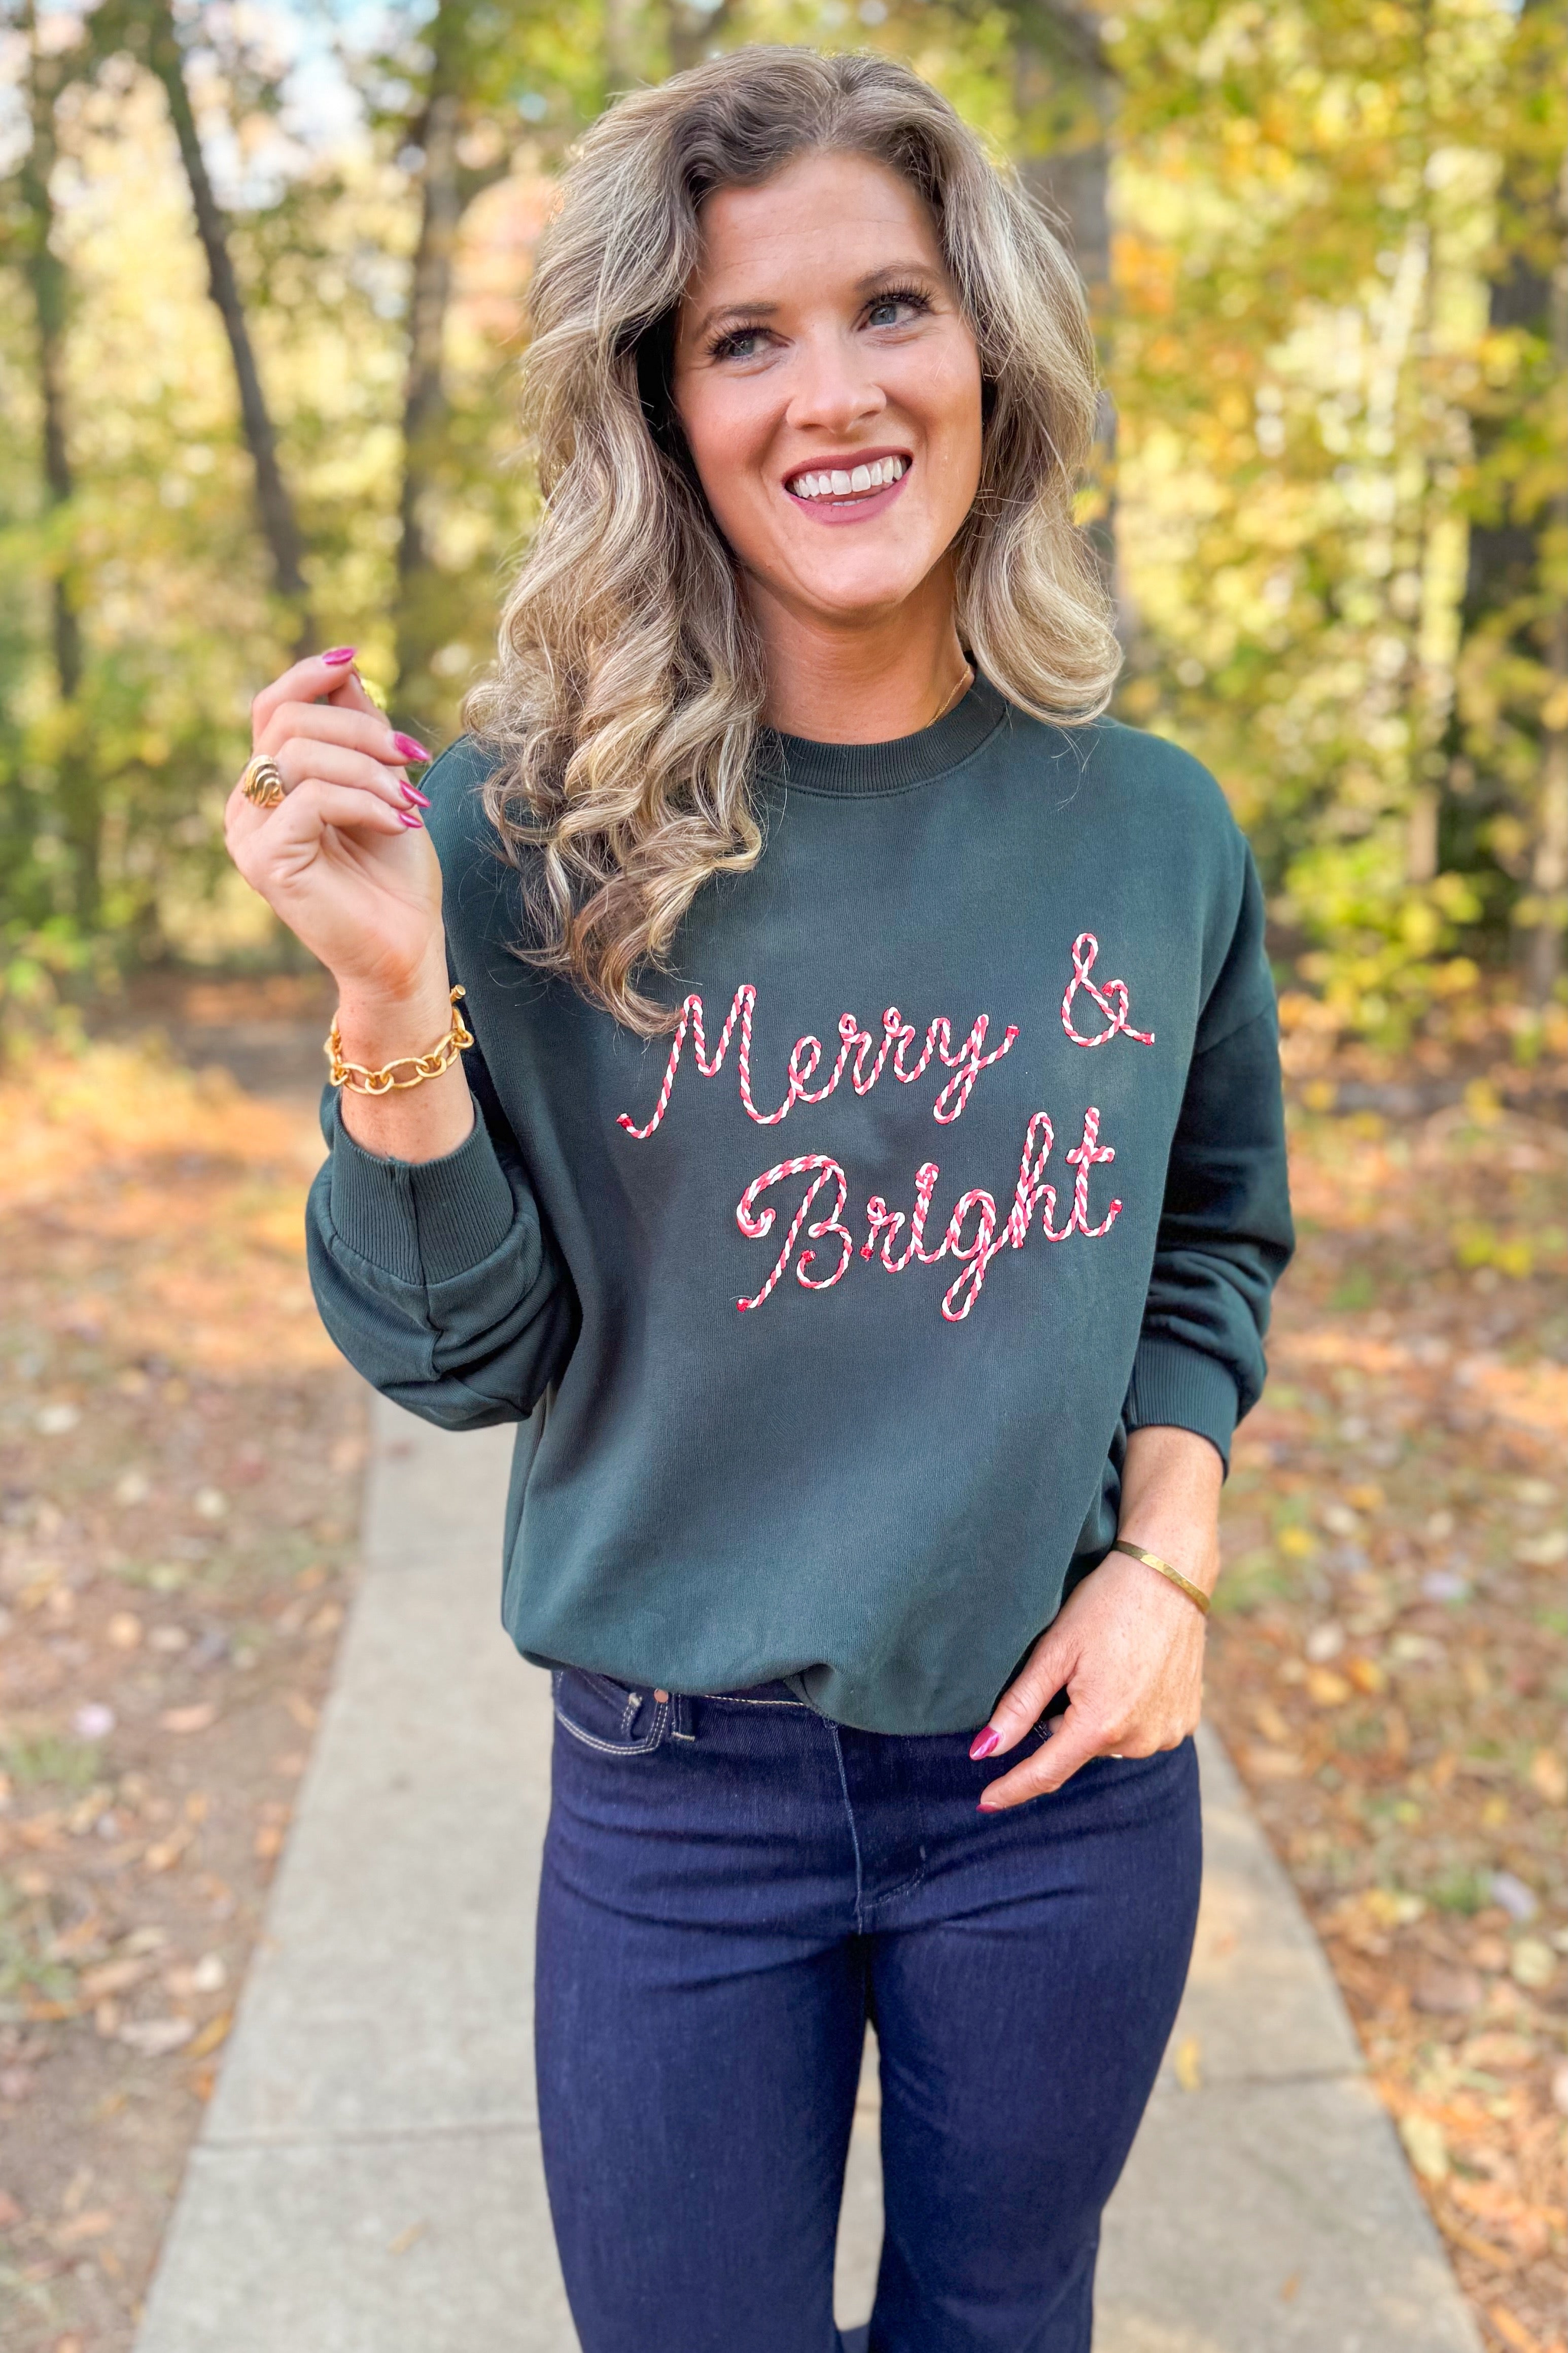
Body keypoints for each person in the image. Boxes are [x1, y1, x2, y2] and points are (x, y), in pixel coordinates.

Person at [225, 46, 1293, 2353]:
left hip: (1052, 1769)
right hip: (672, 1792)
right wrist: (395, 979)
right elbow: (457, 1356)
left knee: (1001, 2321)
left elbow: (1208, 1231)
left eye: (889, 306)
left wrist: (1168, 1557)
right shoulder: (521, 840)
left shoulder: (1152, 832)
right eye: (744, 336)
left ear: (986, 353)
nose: (834, 389)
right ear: (664, 409)